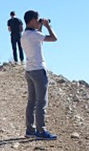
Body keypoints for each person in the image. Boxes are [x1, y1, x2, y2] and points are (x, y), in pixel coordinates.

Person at [21, 10, 58, 140]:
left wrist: (40, 25)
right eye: (37, 20)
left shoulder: (25, 35)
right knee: (41, 101)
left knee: (31, 102)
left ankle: (30, 130)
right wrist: (48, 26)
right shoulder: (34, 35)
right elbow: (54, 38)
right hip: (39, 70)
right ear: (32, 20)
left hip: (29, 70)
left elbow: (39, 37)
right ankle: (41, 130)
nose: (38, 22)